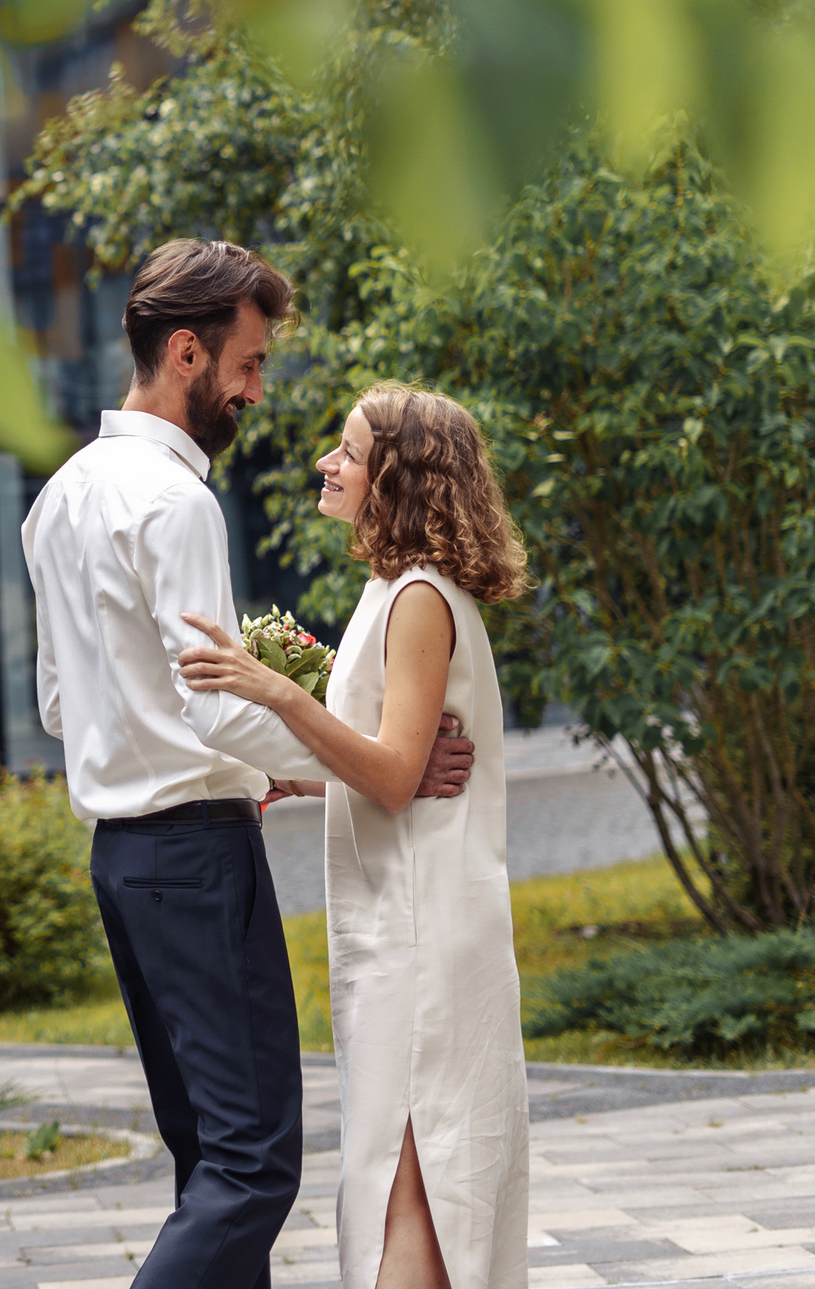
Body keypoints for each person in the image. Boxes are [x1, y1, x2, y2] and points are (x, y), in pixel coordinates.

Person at [21, 242, 477, 1289]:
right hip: (192, 859)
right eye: (250, 363)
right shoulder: (175, 501)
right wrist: (364, 766)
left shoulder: (60, 496)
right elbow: (214, 702)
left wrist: (268, 764)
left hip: (124, 864)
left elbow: (59, 704)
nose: (257, 390)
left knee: (209, 1165)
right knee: (252, 1167)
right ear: (187, 351)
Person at [179, 381, 531, 1289]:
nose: (327, 465)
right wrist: (282, 777)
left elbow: (392, 771)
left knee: (413, 1187)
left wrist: (275, 691)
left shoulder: (419, 597)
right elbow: (383, 768)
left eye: (347, 452)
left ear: (396, 478)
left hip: (424, 933)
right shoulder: (392, 590)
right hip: (401, 923)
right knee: (405, 1179)